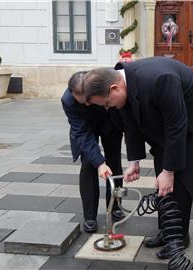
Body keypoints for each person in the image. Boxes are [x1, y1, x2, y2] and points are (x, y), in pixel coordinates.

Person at [81, 57, 193, 259]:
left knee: (180, 177)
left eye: (107, 103)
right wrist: (134, 162)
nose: (108, 108)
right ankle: (167, 230)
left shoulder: (161, 79)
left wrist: (169, 171)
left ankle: (178, 237)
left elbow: (176, 126)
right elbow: (130, 123)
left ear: (114, 88)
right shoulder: (123, 82)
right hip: (169, 123)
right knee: (163, 166)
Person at [61, 71, 125, 233]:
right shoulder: (68, 101)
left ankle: (115, 205)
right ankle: (90, 216)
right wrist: (99, 163)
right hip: (85, 127)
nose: (88, 104)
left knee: (114, 161)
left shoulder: (100, 83)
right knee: (89, 163)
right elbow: (81, 133)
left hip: (110, 120)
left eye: (89, 100)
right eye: (83, 102)